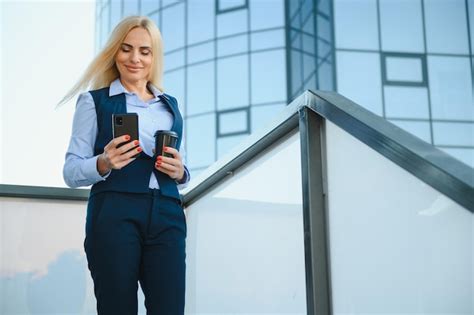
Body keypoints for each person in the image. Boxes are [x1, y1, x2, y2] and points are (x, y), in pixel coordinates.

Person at [61, 16, 189, 315]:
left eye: (145, 51)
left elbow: (184, 169)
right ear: (114, 53)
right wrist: (104, 162)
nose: (135, 58)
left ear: (154, 56)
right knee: (117, 307)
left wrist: (181, 171)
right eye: (126, 49)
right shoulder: (93, 102)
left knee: (170, 309)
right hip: (114, 212)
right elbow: (70, 171)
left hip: (168, 214)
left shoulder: (170, 105)